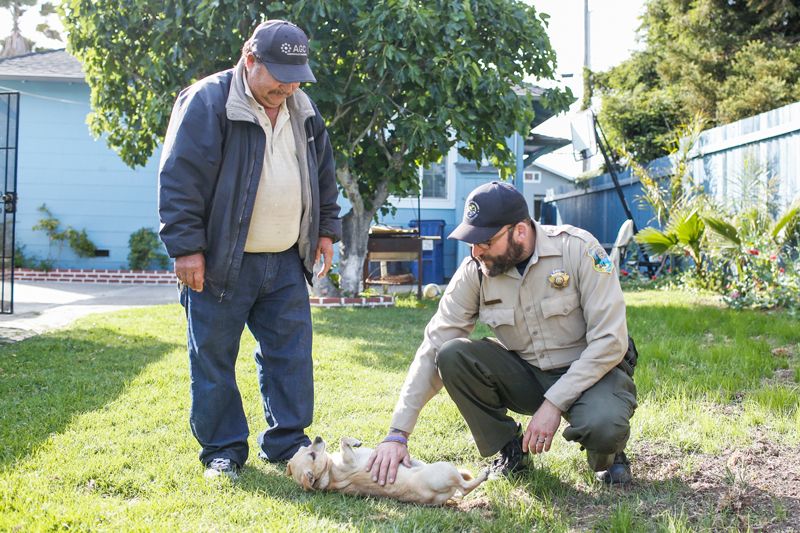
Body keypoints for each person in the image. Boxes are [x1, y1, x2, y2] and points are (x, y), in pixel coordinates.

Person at [158, 19, 341, 480]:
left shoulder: (302, 106)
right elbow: (180, 179)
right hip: (221, 259)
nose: (288, 84)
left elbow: (322, 173)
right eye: (278, 72)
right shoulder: (207, 101)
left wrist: (325, 230)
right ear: (249, 58)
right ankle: (222, 451)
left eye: (296, 74)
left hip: (284, 258)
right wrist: (185, 248)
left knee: (290, 355)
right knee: (214, 356)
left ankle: (287, 444)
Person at [366, 181, 637, 485]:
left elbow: (611, 341)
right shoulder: (475, 271)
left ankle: (610, 455)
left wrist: (553, 404)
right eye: (471, 241)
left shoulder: (578, 249)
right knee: (452, 354)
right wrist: (397, 434)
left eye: (485, 240)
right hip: (528, 373)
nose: (476, 250)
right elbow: (434, 344)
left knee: (604, 426)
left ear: (520, 231)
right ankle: (510, 450)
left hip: (591, 373)